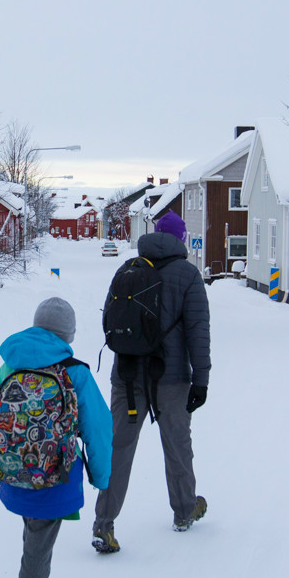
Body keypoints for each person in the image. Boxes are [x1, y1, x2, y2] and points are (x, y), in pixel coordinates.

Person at [0, 297, 112, 578]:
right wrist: (101, 476)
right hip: (56, 472)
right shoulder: (75, 372)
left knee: (35, 531)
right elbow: (98, 428)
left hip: (13, 469)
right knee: (39, 538)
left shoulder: (10, 366)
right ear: (67, 334)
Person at [93, 209, 209, 553]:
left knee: (119, 449)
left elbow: (109, 320)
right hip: (170, 378)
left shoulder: (127, 269)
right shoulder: (188, 275)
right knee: (177, 446)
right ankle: (184, 510)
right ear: (181, 239)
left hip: (127, 377)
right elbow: (197, 332)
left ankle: (104, 524)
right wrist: (200, 380)